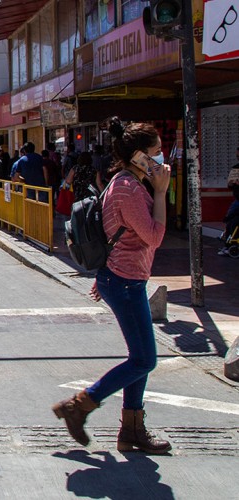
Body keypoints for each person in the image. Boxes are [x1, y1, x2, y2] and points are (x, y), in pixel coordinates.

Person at [52, 117, 172, 455]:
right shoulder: (128, 188)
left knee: (140, 358)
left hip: (123, 278)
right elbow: (154, 236)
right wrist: (161, 193)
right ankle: (79, 406)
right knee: (145, 360)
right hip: (125, 283)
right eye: (156, 153)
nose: (161, 159)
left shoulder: (126, 182)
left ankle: (131, 430)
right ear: (138, 157)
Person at [218, 147, 239, 256]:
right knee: (229, 220)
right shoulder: (235, 169)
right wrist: (232, 183)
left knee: (232, 219)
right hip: (237, 199)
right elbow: (229, 186)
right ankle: (228, 244)